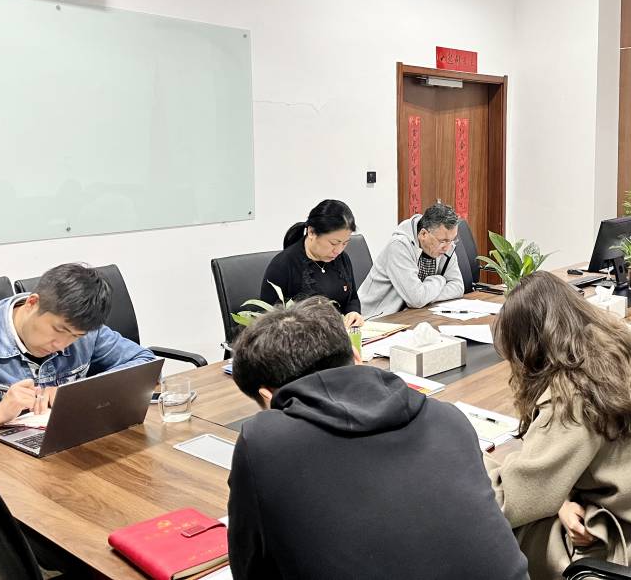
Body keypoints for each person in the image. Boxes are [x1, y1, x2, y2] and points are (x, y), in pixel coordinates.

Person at [226, 297, 528, 580]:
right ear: (357, 356)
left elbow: (249, 568)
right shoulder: (447, 417)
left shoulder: (265, 443)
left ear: (268, 396)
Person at [484, 272, 631, 580]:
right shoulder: (618, 354)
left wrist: (466, 457)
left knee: (493, 531)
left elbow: (511, 500)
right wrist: (560, 502)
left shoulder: (573, 390)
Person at [0, 263, 156, 445]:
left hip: (64, 447)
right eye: (58, 330)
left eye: (75, 336)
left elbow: (145, 363)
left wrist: (74, 393)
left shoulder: (85, 330)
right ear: (32, 303)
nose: (62, 344)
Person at [260, 199, 363, 327]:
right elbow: (268, 320)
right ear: (311, 232)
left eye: (345, 243)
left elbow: (352, 298)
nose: (338, 250)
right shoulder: (283, 265)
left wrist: (353, 313)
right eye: (333, 243)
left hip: (340, 333)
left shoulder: (342, 259)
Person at [358, 202, 465, 316]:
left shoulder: (446, 246)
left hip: (410, 315)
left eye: (452, 240)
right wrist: (440, 280)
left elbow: (458, 287)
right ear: (423, 234)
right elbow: (416, 299)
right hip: (375, 318)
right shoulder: (399, 246)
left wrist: (425, 296)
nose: (447, 247)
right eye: (442, 241)